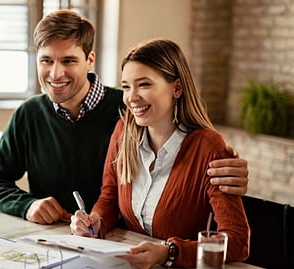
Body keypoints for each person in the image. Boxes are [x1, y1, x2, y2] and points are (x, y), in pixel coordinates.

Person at [0, 9, 250, 225]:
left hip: (124, 240)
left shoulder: (131, 112)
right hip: (56, 241)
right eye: (46, 60)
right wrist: (28, 205)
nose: (55, 73)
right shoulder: (28, 115)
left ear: (90, 60)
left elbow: (182, 155)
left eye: (69, 61)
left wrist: (224, 165)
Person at [70, 38, 250, 268]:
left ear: (177, 88)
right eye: (126, 86)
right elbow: (109, 197)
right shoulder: (123, 132)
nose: (131, 97)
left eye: (144, 84)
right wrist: (94, 222)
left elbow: (237, 242)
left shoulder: (208, 147)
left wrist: (170, 252)